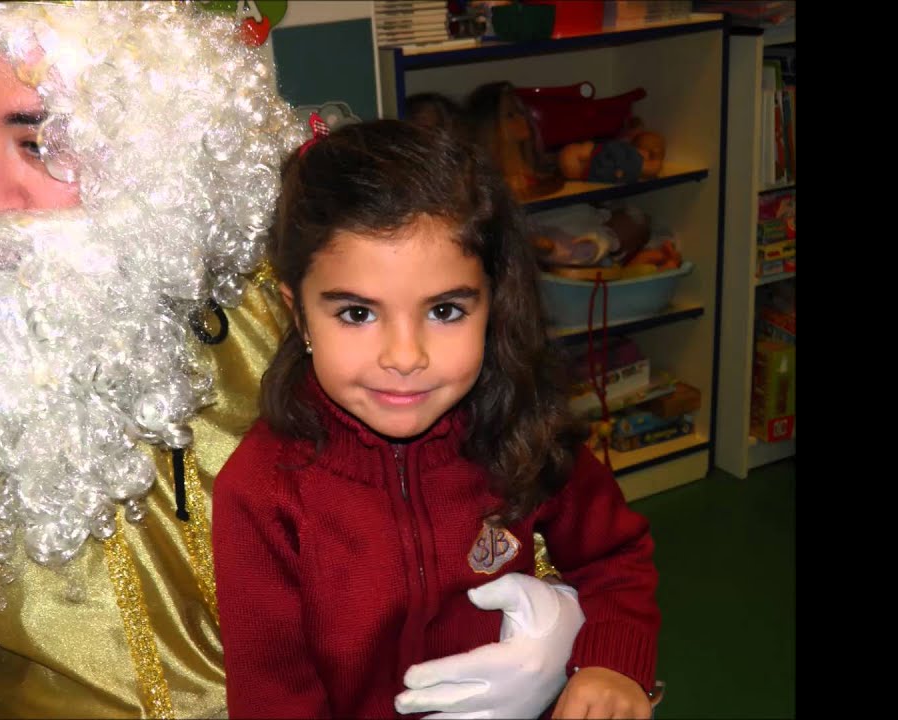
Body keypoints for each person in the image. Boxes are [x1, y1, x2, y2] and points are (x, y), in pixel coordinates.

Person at [0, 3, 583, 718]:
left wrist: (560, 624)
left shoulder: (290, 317)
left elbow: (490, 480)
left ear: (143, 144)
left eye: (40, 141)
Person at [213, 120, 661, 719]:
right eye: (356, 313)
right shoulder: (262, 491)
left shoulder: (523, 425)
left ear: (491, 305)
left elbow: (617, 558)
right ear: (299, 317)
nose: (405, 358)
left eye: (445, 310)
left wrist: (609, 662)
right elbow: (274, 698)